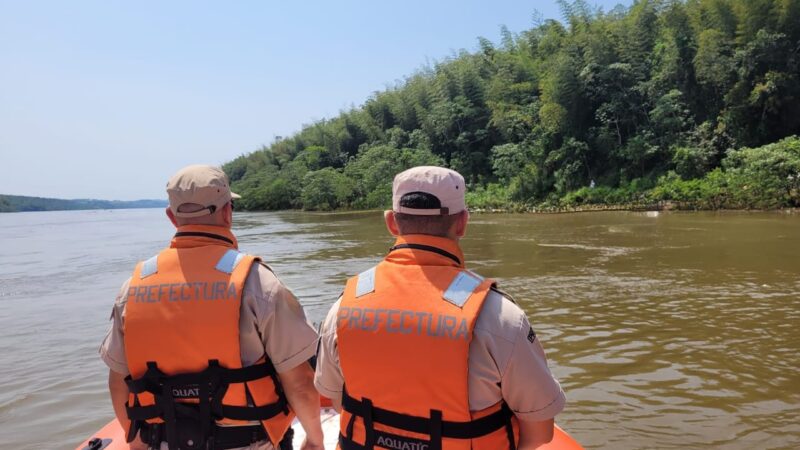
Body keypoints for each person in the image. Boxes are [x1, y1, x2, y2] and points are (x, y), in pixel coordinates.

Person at [314, 166, 566, 450]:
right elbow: (540, 430)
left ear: (391, 223)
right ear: (462, 223)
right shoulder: (500, 317)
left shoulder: (343, 308)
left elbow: (336, 399)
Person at [99, 165, 324, 450]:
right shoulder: (257, 283)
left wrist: (138, 444)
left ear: (171, 217)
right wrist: (315, 442)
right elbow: (301, 383)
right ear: (228, 212)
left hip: (165, 442)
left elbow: (119, 383)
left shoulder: (132, 287)